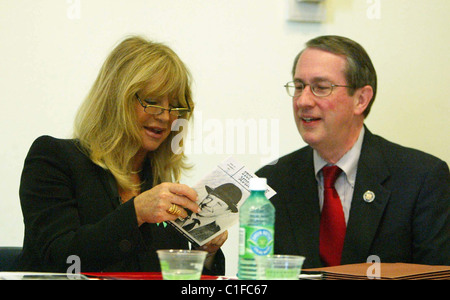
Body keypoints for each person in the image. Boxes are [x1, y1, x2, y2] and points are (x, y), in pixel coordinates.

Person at [17, 36, 227, 274]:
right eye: (152, 101)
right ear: (116, 98)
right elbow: (61, 259)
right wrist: (135, 212)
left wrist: (205, 253)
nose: (166, 117)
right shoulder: (53, 159)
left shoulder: (158, 184)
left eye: (175, 106)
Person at [256, 35, 449, 268]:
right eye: (299, 87)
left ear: (361, 99)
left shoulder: (421, 178)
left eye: (321, 88)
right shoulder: (272, 181)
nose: (303, 101)